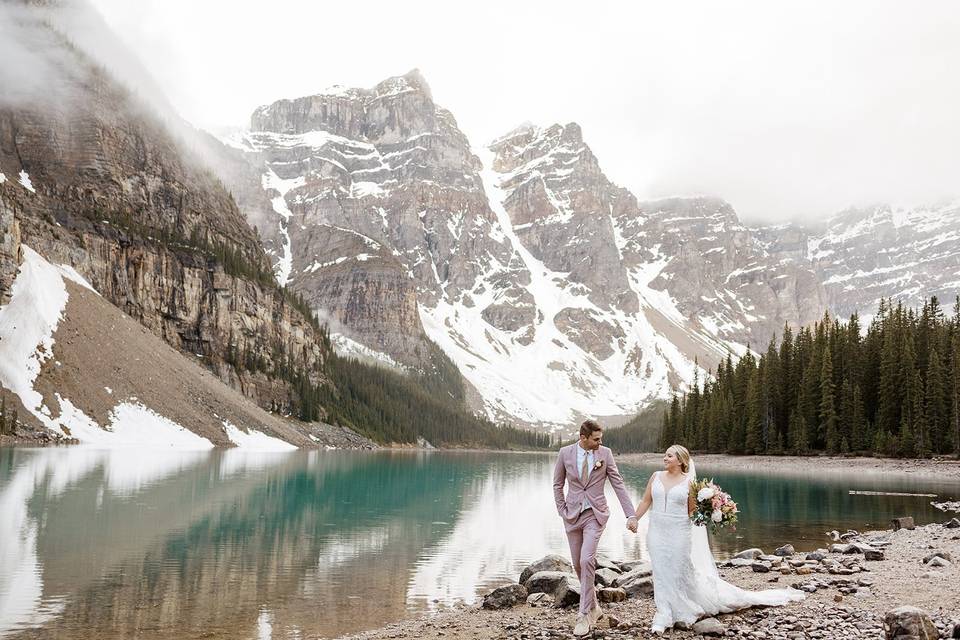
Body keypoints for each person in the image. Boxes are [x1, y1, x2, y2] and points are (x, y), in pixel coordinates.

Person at [633, 444, 805, 634]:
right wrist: (634, 518)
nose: (665, 459)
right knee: (660, 569)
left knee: (676, 569)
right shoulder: (656, 477)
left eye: (669, 456)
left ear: (681, 461)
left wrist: (715, 510)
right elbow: (646, 501)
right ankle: (664, 612)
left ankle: (679, 609)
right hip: (656, 529)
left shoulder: (689, 483)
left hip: (679, 531)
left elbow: (692, 512)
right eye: (665, 456)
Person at [553, 419, 638, 636]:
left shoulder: (605, 454)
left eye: (601, 438)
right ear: (583, 438)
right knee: (578, 565)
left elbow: (618, 483)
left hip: (595, 514)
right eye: (596, 439)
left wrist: (631, 514)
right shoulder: (565, 453)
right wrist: (562, 509)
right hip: (571, 515)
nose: (600, 442)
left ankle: (584, 615)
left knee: (586, 559)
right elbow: (557, 484)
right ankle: (595, 607)